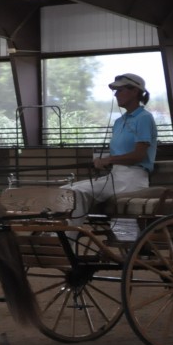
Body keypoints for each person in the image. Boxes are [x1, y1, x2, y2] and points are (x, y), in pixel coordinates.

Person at [63, 73, 158, 231]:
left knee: (75, 192)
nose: (116, 94)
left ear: (134, 91)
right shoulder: (119, 122)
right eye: (115, 91)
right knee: (66, 190)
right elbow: (120, 155)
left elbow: (138, 155)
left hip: (132, 179)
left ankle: (68, 238)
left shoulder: (144, 118)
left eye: (120, 90)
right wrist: (105, 161)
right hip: (115, 176)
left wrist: (109, 160)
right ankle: (62, 237)